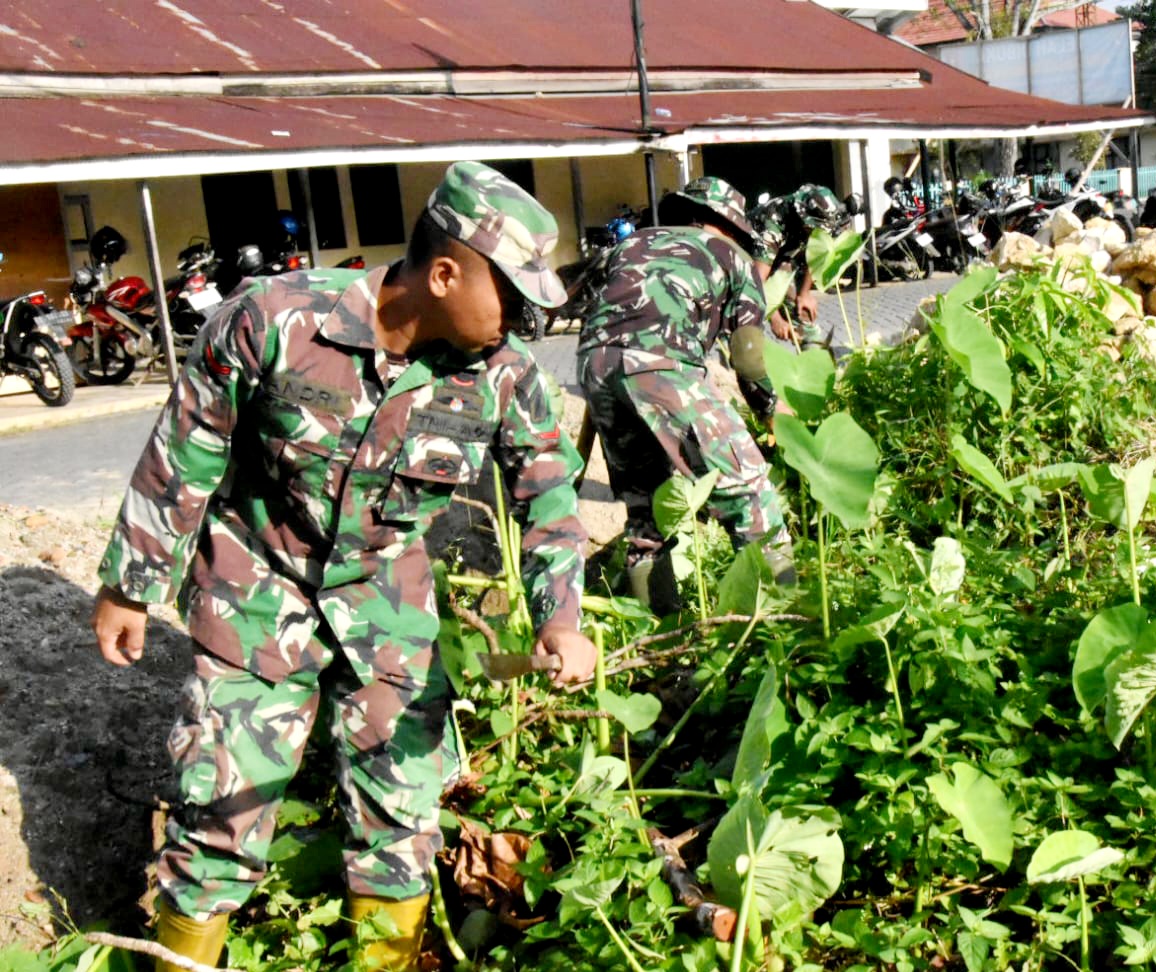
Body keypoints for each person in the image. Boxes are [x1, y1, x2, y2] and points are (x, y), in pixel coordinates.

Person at [90, 161, 597, 972]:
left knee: (400, 828)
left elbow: (549, 502)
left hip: (387, 609)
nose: (524, 321)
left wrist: (560, 618)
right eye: (514, 295)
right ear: (444, 273)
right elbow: (185, 451)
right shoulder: (274, 320)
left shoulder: (505, 377)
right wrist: (130, 587)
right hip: (254, 592)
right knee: (218, 820)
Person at [577, 175, 795, 614]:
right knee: (749, 492)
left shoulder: (627, 245)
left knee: (647, 514)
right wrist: (773, 412)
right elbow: (749, 359)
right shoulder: (732, 257)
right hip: (662, 367)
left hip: (591, 366)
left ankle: (660, 644)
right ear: (731, 227)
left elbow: (601, 324)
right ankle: (780, 627)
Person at [749, 183, 849, 350]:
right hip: (747, 267)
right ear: (804, 221)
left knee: (803, 313)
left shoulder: (823, 219)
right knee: (748, 325)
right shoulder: (772, 224)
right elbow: (755, 282)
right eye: (813, 230)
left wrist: (804, 293)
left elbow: (816, 249)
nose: (817, 234)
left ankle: (814, 361)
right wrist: (776, 319)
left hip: (783, 259)